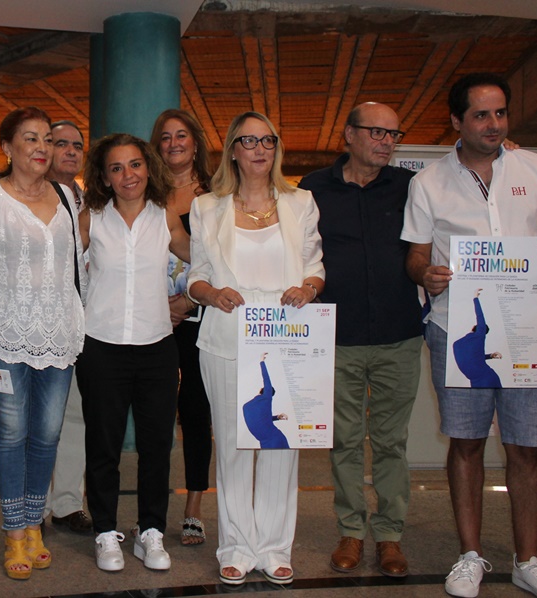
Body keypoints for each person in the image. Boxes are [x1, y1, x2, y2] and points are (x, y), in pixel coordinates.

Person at [402, 73, 537, 598]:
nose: (494, 124)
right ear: (456, 122)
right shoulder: (427, 182)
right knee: (466, 443)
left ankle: (529, 560)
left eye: (501, 113)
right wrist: (425, 273)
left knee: (528, 448)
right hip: (456, 330)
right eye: (481, 115)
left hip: (527, 330)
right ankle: (470, 556)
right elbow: (415, 253)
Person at [186, 111, 325, 587]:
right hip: (227, 333)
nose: (260, 149)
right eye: (249, 141)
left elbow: (315, 266)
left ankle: (273, 547)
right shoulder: (206, 206)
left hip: (288, 335)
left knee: (281, 443)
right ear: (233, 150)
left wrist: (307, 289)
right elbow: (196, 275)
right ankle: (237, 546)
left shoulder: (302, 201)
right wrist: (209, 294)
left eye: (268, 140)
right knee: (233, 444)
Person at [0, 107, 86, 579]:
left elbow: (78, 266)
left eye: (48, 139)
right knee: (11, 435)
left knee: (47, 435)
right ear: (7, 147)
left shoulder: (69, 196)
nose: (42, 148)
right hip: (5, 336)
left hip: (59, 335)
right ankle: (13, 532)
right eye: (30, 138)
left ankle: (34, 523)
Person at [297, 101, 423, 578]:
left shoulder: (411, 187)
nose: (386, 142)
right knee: (345, 440)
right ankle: (351, 530)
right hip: (337, 335)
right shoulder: (312, 189)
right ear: (348, 134)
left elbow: (462, 180)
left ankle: (389, 537)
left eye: (393, 134)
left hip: (398, 333)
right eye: (376, 132)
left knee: (391, 441)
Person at [76, 133, 190, 573]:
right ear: (103, 177)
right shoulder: (92, 218)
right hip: (101, 348)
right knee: (102, 445)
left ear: (149, 168)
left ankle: (151, 532)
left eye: (136, 164)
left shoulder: (166, 217)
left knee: (157, 446)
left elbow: (203, 260)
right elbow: (56, 263)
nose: (129, 175)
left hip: (157, 348)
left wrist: (194, 298)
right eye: (117, 168)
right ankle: (106, 532)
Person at [149, 109, 214, 547]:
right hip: (149, 319)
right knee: (154, 414)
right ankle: (151, 511)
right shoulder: (144, 193)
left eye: (182, 135)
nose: (174, 143)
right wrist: (159, 305)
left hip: (200, 317)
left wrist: (187, 300)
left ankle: (193, 507)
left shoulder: (217, 194)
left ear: (195, 142)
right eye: (166, 137)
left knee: (195, 410)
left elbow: (222, 259)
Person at [42, 120, 93, 535]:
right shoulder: (31, 198)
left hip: (83, 324)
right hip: (41, 324)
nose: (71, 151)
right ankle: (33, 507)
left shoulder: (89, 201)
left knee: (76, 417)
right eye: (62, 144)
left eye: (78, 145)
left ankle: (67, 505)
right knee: (40, 420)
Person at [452, 289, 503, 388]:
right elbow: (480, 316)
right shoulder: (479, 335)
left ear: (472, 328)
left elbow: (474, 357)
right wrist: (475, 298)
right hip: (484, 378)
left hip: (478, 380)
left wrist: (490, 356)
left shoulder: (457, 344)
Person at [243, 353, 290, 449]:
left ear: (260, 390)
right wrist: (262, 361)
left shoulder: (248, 405)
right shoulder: (264, 400)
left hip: (269, 440)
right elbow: (263, 419)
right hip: (270, 439)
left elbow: (262, 420)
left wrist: (277, 417)